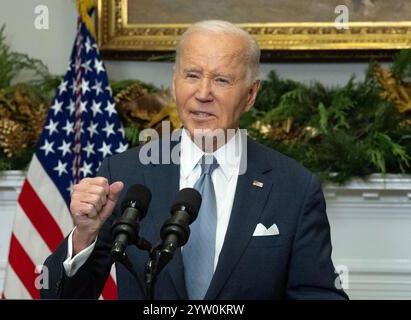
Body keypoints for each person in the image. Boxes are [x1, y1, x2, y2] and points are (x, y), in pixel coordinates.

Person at [41, 20, 348, 300]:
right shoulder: (126, 173)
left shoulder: (293, 186)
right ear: (175, 82)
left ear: (251, 94)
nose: (203, 93)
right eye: (192, 75)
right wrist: (84, 235)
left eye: (222, 80)